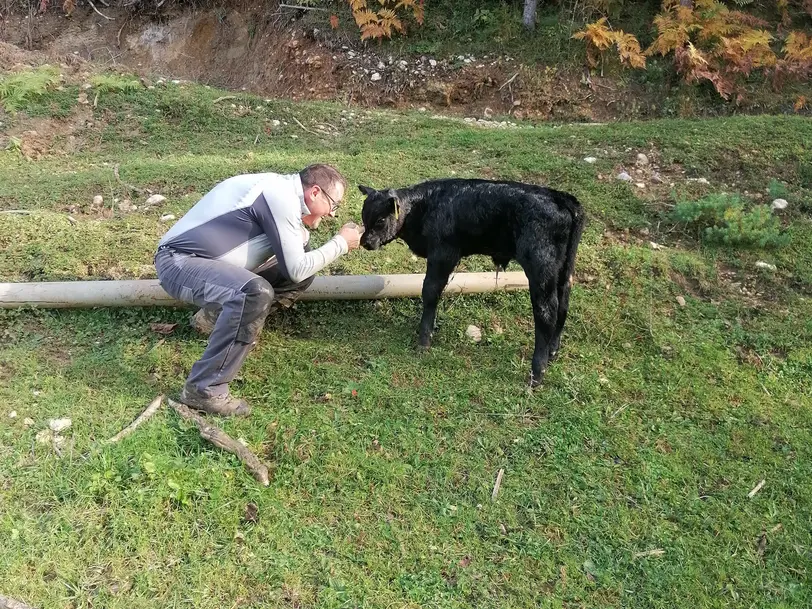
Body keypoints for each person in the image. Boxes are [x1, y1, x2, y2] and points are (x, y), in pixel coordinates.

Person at [154, 164, 362, 416]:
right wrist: (340, 243)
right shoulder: (279, 195)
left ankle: (214, 321)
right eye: (334, 204)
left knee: (298, 273)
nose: (332, 214)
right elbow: (296, 267)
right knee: (253, 292)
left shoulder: (282, 195)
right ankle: (205, 389)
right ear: (315, 192)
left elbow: (296, 270)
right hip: (178, 263)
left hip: (206, 266)